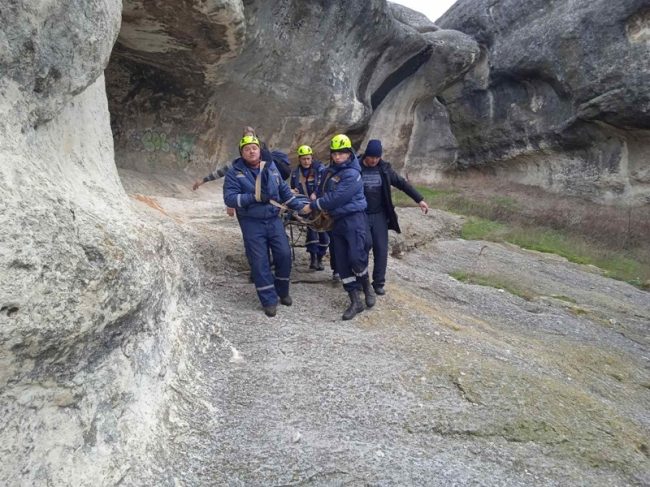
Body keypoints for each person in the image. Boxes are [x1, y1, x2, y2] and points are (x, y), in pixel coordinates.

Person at [224, 135, 308, 317]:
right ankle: (268, 300)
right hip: (251, 222)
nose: (251, 151)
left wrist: (301, 207)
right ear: (242, 153)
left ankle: (283, 291)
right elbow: (229, 198)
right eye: (247, 149)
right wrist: (252, 197)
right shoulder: (235, 172)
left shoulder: (270, 167)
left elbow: (284, 191)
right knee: (260, 261)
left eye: (254, 147)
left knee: (284, 254)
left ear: (259, 150)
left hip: (273, 219)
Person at [303, 134, 375, 320]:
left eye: (342, 153)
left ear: (349, 153)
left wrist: (314, 205)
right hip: (336, 221)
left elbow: (337, 198)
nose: (338, 157)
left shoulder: (352, 174)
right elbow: (321, 190)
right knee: (342, 262)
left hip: (353, 219)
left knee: (356, 257)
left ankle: (367, 286)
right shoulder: (329, 172)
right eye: (335, 154)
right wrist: (314, 196)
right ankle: (355, 301)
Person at [360, 139, 429, 296]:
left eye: (377, 158)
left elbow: (402, 184)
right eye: (371, 157)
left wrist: (419, 199)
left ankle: (378, 283)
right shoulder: (356, 167)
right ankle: (361, 281)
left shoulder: (384, 169)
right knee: (363, 247)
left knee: (381, 249)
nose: (374, 160)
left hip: (379, 215)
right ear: (366, 155)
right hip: (361, 214)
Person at [290, 145, 329, 270]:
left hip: (320, 205)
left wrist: (316, 194)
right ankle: (313, 259)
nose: (306, 161)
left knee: (322, 232)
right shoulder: (296, 174)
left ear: (312, 158)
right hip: (304, 206)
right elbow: (293, 187)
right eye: (303, 159)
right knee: (313, 226)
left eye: (308, 158)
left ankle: (319, 258)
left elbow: (325, 185)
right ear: (299, 159)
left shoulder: (320, 170)